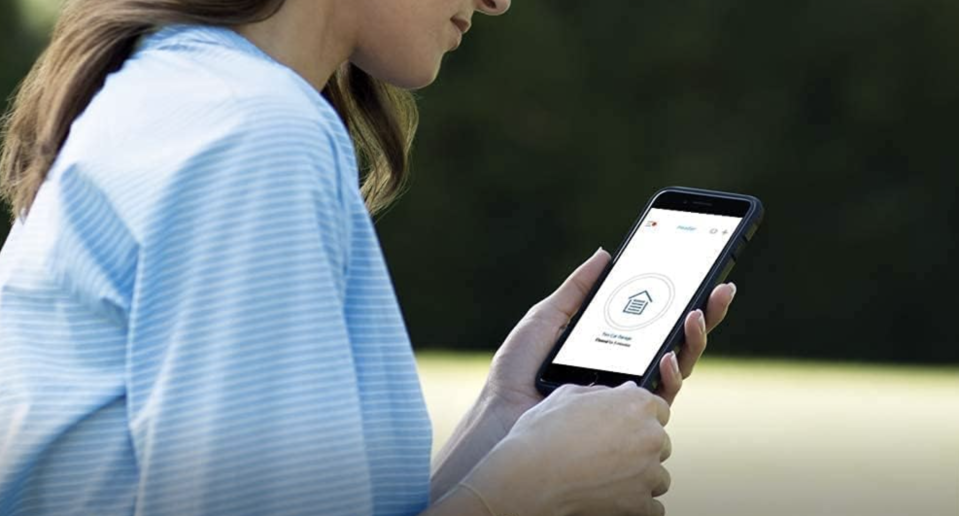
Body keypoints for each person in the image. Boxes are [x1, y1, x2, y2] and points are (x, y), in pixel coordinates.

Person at [0, 0, 738, 515]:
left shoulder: (180, 91)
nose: (497, 1)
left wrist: (501, 423)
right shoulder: (257, 134)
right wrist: (530, 492)